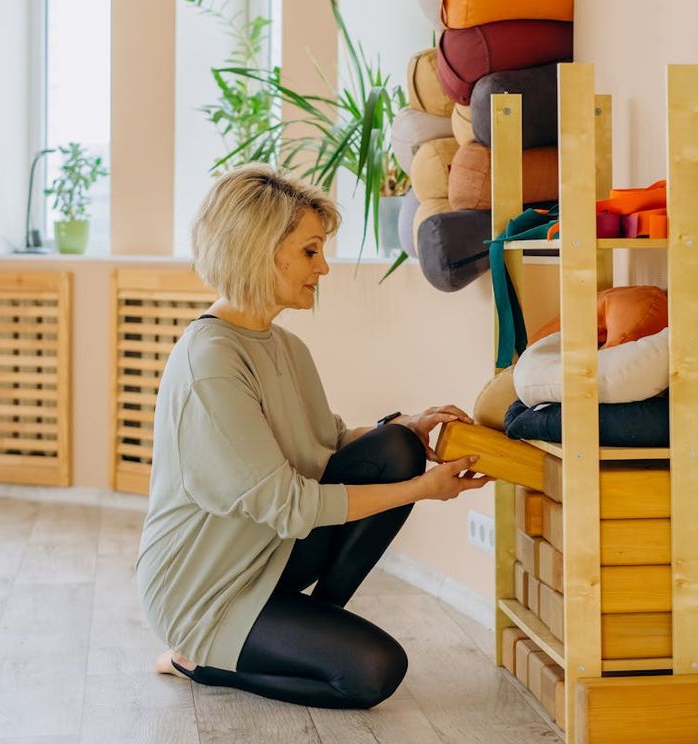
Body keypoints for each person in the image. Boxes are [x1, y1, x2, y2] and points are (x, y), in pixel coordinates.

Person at [136, 165, 490, 710]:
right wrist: (423, 490)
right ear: (259, 249)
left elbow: (328, 445)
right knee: (373, 674)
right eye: (310, 252)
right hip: (207, 590)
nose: (323, 267)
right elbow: (289, 503)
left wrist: (406, 427)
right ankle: (198, 662)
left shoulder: (284, 346)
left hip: (269, 556)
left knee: (395, 447)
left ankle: (318, 626)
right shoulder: (211, 361)